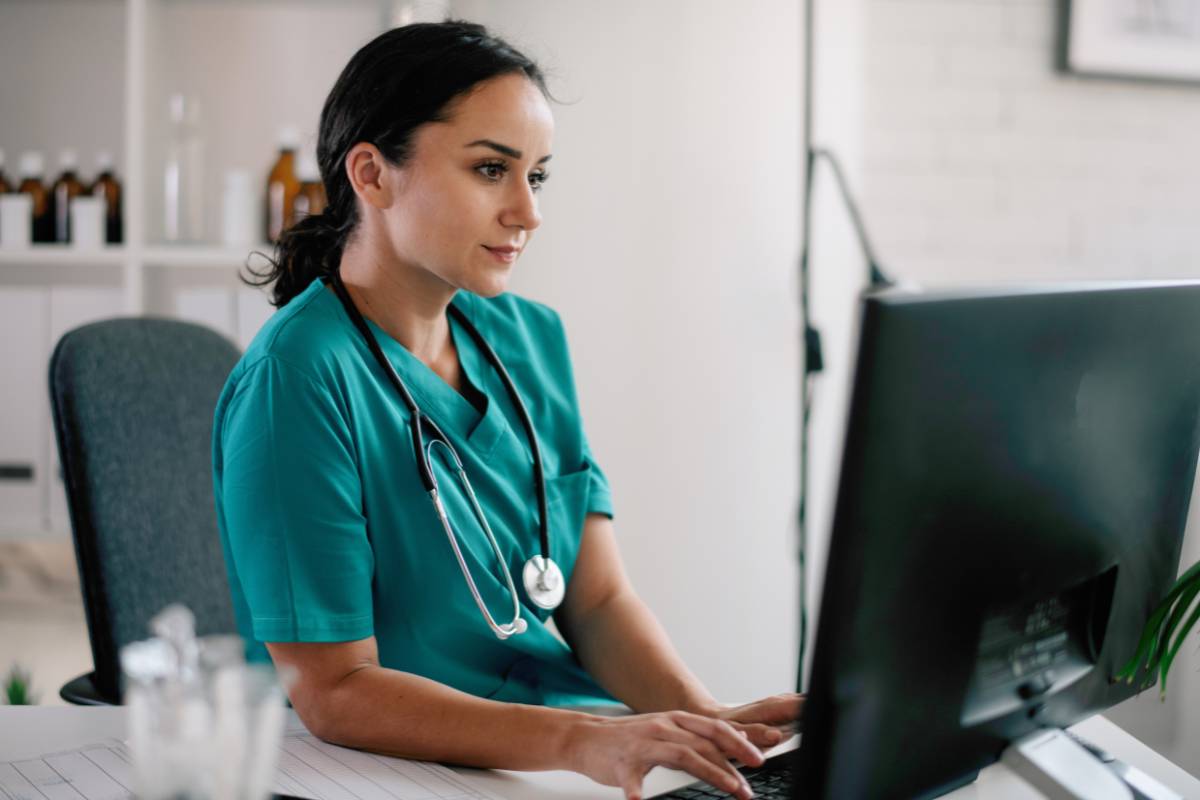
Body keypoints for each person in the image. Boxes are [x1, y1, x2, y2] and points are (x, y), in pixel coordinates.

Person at [215, 20, 802, 800]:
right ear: (373, 175)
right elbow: (333, 691)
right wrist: (583, 741)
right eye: (491, 169)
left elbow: (596, 600)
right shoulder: (297, 378)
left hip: (565, 753)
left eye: (538, 176)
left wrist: (709, 726)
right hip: (392, 770)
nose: (527, 212)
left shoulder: (530, 339)